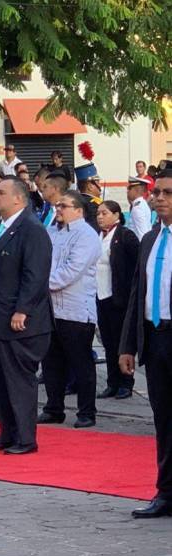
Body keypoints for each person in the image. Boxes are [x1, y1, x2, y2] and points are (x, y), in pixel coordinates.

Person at [0, 177, 53, 455]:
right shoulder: (1, 226)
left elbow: (35, 275)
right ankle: (7, 433)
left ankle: (25, 437)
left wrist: (23, 309)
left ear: (18, 198)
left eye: (0, 192)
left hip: (18, 322)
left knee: (18, 382)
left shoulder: (31, 229)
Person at [119, 169, 172, 518]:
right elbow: (137, 293)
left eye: (167, 193)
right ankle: (166, 492)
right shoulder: (152, 238)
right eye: (158, 193)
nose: (160, 198)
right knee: (164, 419)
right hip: (155, 338)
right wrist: (127, 345)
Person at [39, 192, 102, 428]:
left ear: (78, 210)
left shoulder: (86, 235)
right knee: (51, 361)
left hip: (76, 308)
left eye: (63, 206)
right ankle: (54, 408)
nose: (58, 209)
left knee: (80, 361)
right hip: (51, 308)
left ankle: (87, 411)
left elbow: (71, 271)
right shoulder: (52, 231)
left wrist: (41, 284)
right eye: (57, 205)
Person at [95, 201, 139, 400]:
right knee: (108, 342)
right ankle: (112, 382)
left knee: (122, 343)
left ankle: (126, 383)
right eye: (98, 213)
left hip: (119, 297)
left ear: (116, 215)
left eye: (104, 213)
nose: (100, 217)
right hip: (100, 296)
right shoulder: (98, 236)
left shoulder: (124, 236)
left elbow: (137, 264)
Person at [127, 176, 153, 241]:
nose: (127, 191)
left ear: (137, 190)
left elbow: (142, 234)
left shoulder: (137, 208)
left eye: (129, 188)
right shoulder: (142, 203)